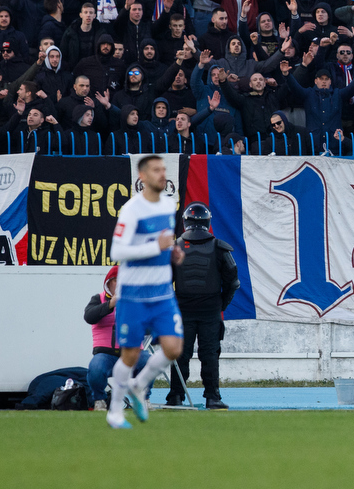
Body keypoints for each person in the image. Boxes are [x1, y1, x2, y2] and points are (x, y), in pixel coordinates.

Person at [105, 155, 184, 429]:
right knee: (130, 355)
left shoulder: (167, 204)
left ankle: (138, 385)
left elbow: (162, 243)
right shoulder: (131, 210)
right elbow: (116, 252)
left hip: (162, 292)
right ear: (142, 176)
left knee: (174, 348)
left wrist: (172, 254)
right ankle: (115, 412)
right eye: (156, 170)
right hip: (134, 294)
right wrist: (156, 247)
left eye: (164, 169)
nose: (162, 174)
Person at [167, 202, 239, 410]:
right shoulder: (219, 247)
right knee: (209, 354)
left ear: (185, 222)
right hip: (210, 311)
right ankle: (212, 397)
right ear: (207, 222)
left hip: (182, 311)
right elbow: (233, 281)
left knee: (180, 354)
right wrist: (220, 305)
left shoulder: (175, 248)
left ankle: (176, 396)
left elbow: (163, 282)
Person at [84, 265, 151, 410]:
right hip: (107, 355)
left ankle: (143, 398)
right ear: (108, 283)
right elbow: (89, 317)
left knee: (148, 361)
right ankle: (99, 400)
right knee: (95, 367)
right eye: (117, 281)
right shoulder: (98, 298)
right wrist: (110, 304)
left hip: (132, 353)